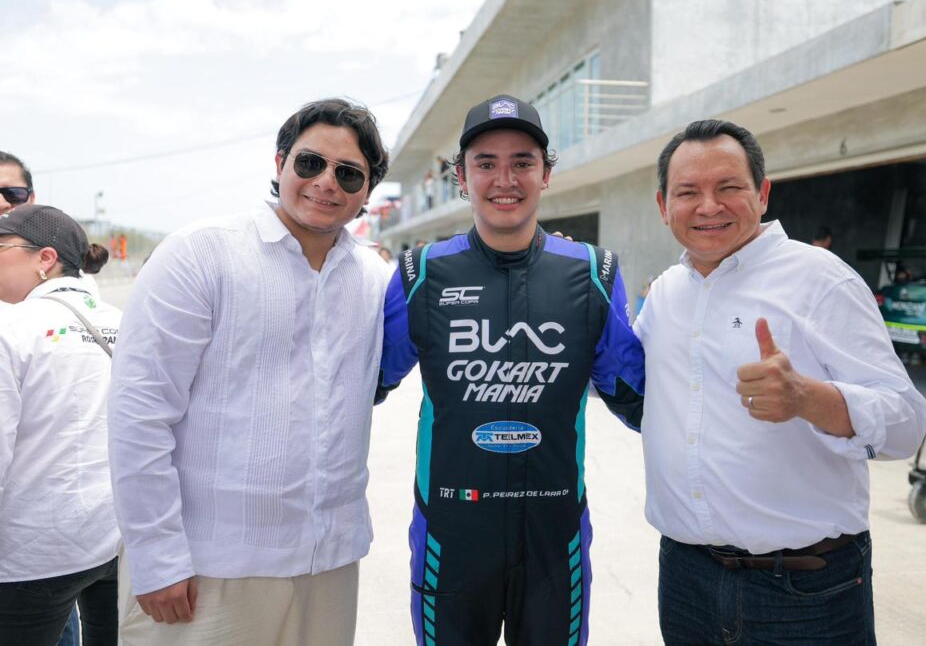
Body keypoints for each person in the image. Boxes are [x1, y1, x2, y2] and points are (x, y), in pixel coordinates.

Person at [107, 98, 391, 646]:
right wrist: (155, 554)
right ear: (281, 161)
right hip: (208, 570)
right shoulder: (201, 254)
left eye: (349, 173)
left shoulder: (372, 280)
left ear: (366, 191)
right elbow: (139, 414)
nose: (326, 183)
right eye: (310, 163)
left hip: (329, 564)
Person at [635, 119, 926, 645]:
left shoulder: (821, 280)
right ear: (663, 206)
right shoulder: (665, 294)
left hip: (804, 590)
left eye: (728, 187)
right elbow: (620, 378)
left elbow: (908, 423)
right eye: (688, 192)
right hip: (686, 580)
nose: (708, 206)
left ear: (763, 193)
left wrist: (811, 399)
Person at [377, 94, 645, 646]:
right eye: (485, 163)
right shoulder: (419, 273)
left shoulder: (595, 272)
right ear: (460, 176)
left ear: (547, 173)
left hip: (555, 540)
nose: (505, 178)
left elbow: (637, 399)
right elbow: (360, 384)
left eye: (523, 162)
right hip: (450, 537)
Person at [0, 205, 120, 645]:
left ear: (44, 259)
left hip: (32, 552)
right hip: (113, 537)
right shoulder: (120, 322)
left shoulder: (10, 326)